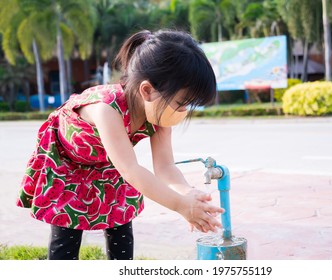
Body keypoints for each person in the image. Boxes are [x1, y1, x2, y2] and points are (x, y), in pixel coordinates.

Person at [16, 29, 224, 260]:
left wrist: (187, 195)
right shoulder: (106, 109)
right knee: (68, 228)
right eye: (181, 103)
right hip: (69, 162)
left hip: (110, 162)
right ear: (147, 90)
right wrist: (180, 206)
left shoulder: (160, 113)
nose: (184, 112)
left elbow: (165, 168)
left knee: (121, 220)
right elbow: (130, 170)